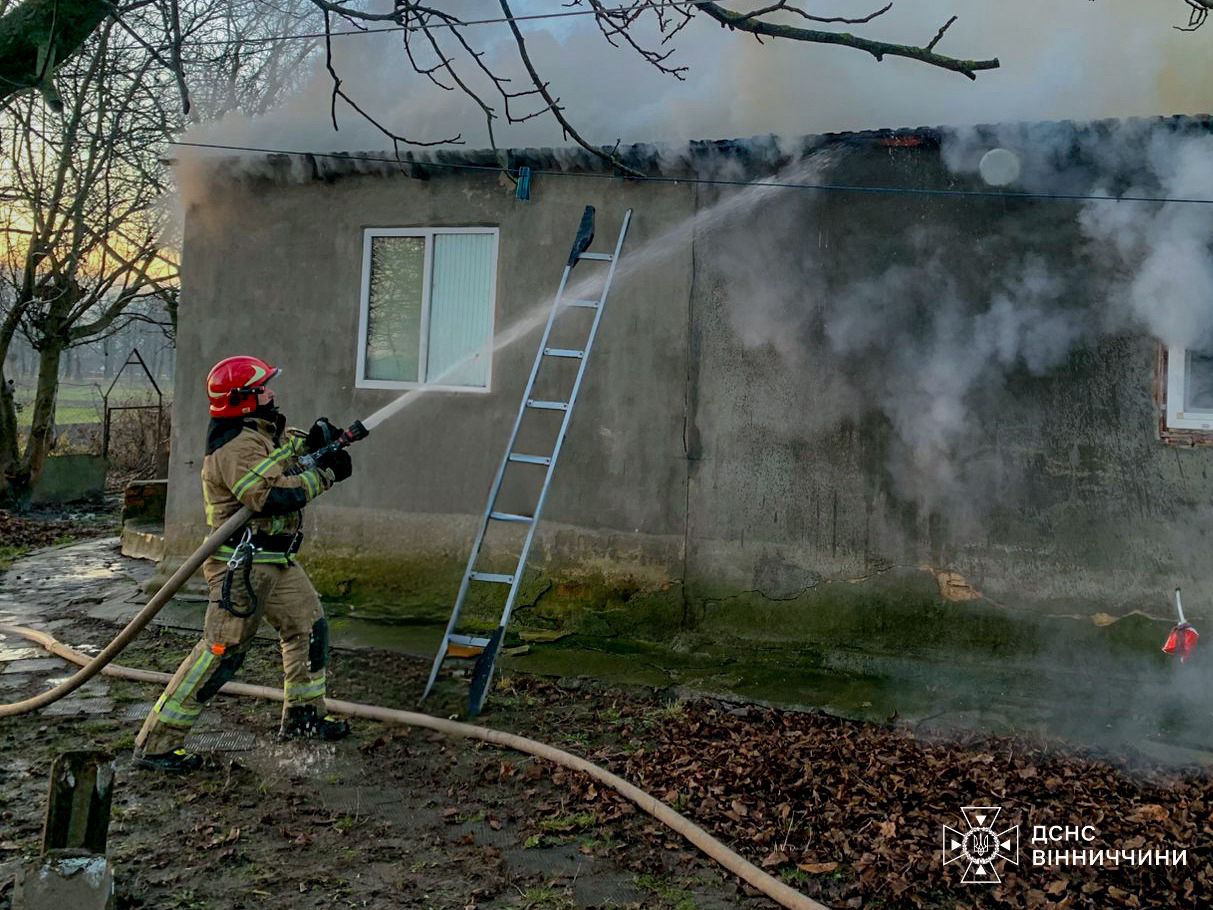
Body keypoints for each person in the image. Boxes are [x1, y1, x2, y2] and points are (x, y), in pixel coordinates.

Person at [133, 355, 354, 772]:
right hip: (243, 567)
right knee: (221, 652)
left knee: (308, 627)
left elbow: (286, 450)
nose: (271, 391)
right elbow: (266, 497)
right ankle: (158, 744)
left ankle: (304, 716)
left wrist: (321, 442)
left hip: (277, 560)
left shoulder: (262, 434)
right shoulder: (236, 446)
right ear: (245, 400)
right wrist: (325, 475)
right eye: (264, 387)